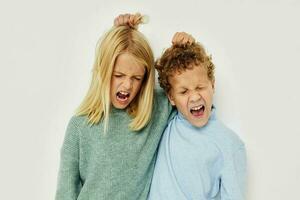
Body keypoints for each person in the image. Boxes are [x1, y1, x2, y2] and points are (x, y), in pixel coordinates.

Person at [55, 13, 176, 200]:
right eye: (118, 75)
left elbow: (191, 96)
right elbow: (65, 193)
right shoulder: (79, 126)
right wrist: (117, 35)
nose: (127, 85)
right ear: (103, 70)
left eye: (136, 78)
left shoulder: (157, 109)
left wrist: (185, 50)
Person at [148, 33, 247, 200]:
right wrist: (179, 47)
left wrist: (190, 50)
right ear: (171, 98)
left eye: (200, 87)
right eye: (184, 91)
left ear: (212, 85)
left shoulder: (230, 144)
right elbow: (138, 94)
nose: (194, 97)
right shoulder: (167, 119)